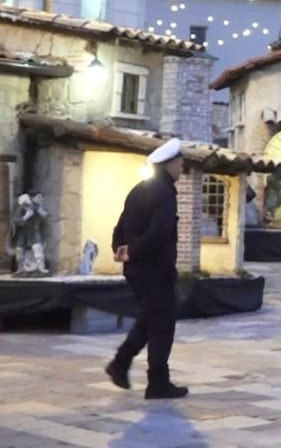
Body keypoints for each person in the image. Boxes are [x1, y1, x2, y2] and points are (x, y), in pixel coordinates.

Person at [106, 138, 189, 400]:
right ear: (170, 163)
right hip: (154, 270)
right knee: (162, 324)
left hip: (137, 270)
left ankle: (122, 363)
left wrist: (120, 247)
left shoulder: (139, 189)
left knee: (152, 318)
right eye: (180, 162)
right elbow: (160, 231)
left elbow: (120, 227)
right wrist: (133, 250)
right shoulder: (164, 193)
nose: (182, 167)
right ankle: (156, 383)